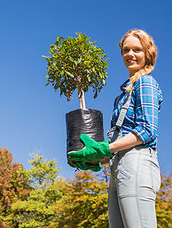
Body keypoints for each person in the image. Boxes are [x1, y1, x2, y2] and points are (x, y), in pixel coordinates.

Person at [68, 29, 163, 227]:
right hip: (118, 165)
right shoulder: (122, 95)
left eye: (137, 49)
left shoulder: (146, 83)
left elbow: (147, 130)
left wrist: (106, 149)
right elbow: (118, 141)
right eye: (126, 50)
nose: (130, 54)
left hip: (137, 161)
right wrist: (97, 157)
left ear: (148, 53)